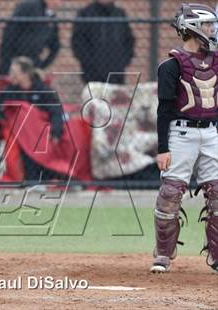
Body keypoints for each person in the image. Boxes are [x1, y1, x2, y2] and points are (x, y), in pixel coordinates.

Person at [150, 3, 218, 274]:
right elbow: (164, 109)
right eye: (207, 25)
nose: (213, 29)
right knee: (170, 195)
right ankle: (163, 254)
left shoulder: (216, 61)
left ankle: (216, 255)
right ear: (192, 28)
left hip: (212, 132)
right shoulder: (171, 65)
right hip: (181, 133)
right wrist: (163, 148)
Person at [0, 56, 64, 181]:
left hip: (40, 132)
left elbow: (56, 112)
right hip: (19, 134)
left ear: (25, 74)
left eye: (14, 73)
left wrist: (56, 131)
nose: (10, 76)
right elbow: (0, 110)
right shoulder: (9, 91)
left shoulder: (43, 90)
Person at [71, 0, 134, 84]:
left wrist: (123, 62)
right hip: (92, 73)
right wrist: (89, 64)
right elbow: (78, 42)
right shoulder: (85, 13)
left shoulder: (119, 14)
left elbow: (128, 40)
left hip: (116, 73)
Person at [0, 0, 61, 75]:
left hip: (34, 62)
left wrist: (43, 65)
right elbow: (10, 33)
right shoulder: (29, 6)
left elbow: (55, 45)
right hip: (15, 59)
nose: (58, 2)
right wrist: (6, 61)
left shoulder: (51, 17)